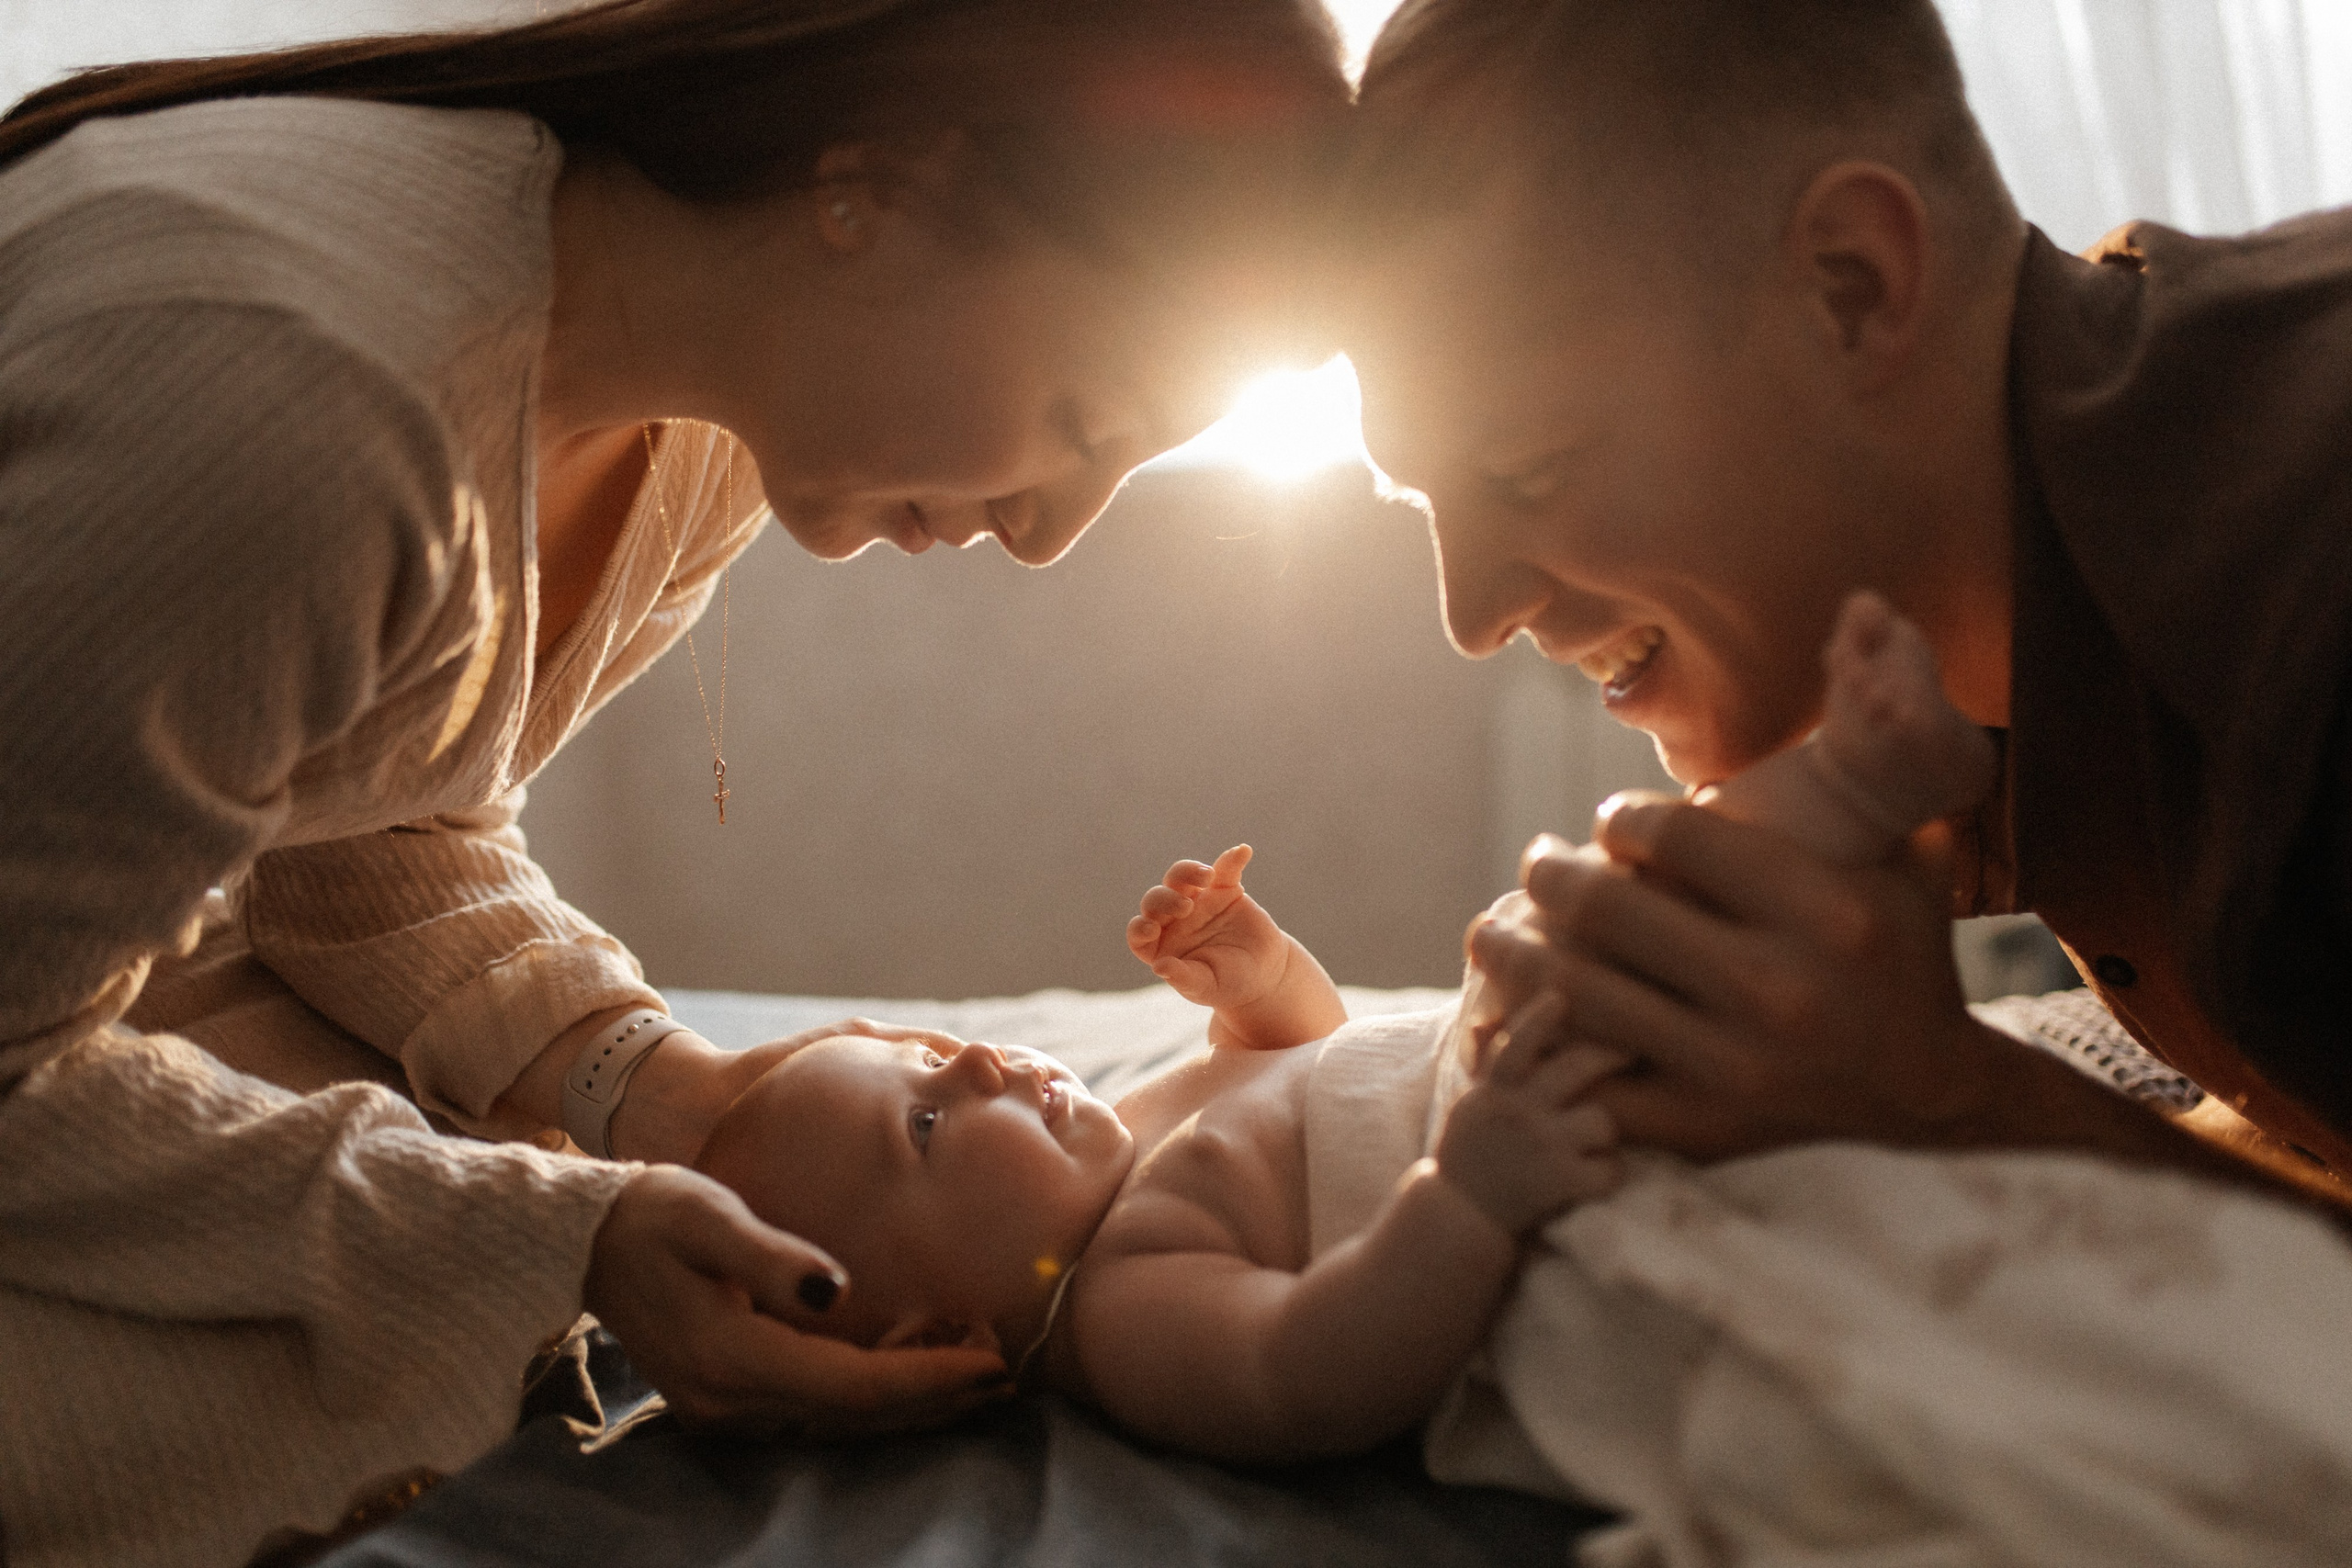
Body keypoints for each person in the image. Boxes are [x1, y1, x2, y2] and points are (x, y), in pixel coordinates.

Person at [0, 2, 1349, 1561]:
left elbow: (365, 829)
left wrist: (659, 1094)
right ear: (882, 186)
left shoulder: (695, 431)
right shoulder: (313, 410)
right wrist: (558, 1238)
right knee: (287, 1400)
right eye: (1084, 421)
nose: (1053, 532)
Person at [1339, 0, 2352, 1200]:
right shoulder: (2028, 577)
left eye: (1525, 471)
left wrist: (1959, 1102)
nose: (1474, 614)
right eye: (1427, 506)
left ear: (1850, 286)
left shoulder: (2299, 626)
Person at [691, 593, 2017, 1460]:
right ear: (942, 1342)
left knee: (1616, 927)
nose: (975, 1058)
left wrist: (1256, 974)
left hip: (1500, 1087)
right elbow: (1310, 1371)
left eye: (932, 1054)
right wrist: (1473, 1197)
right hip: (1531, 1193)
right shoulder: (1123, 1307)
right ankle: (1853, 788)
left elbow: (1302, 1069)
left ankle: (1857, 800)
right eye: (924, 1122)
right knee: (1624, 933)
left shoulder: (1121, 1140)